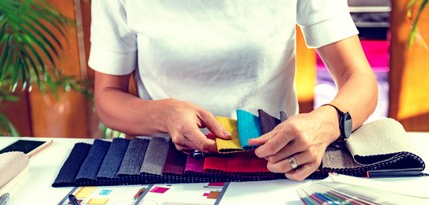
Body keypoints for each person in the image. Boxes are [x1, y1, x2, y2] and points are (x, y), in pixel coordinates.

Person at [88, 1, 378, 181]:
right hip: (162, 165)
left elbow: (360, 79)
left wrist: (326, 122)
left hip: (276, 165)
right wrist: (162, 115)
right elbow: (107, 96)